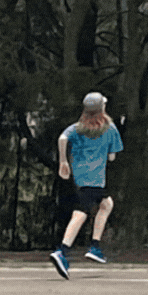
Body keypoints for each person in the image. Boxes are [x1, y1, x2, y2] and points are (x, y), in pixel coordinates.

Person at [49, 92, 122, 279]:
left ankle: (94, 246)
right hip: (96, 178)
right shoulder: (110, 128)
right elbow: (113, 156)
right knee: (81, 213)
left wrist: (63, 161)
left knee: (106, 204)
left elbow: (62, 139)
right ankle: (63, 251)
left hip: (81, 177)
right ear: (102, 109)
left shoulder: (77, 128)